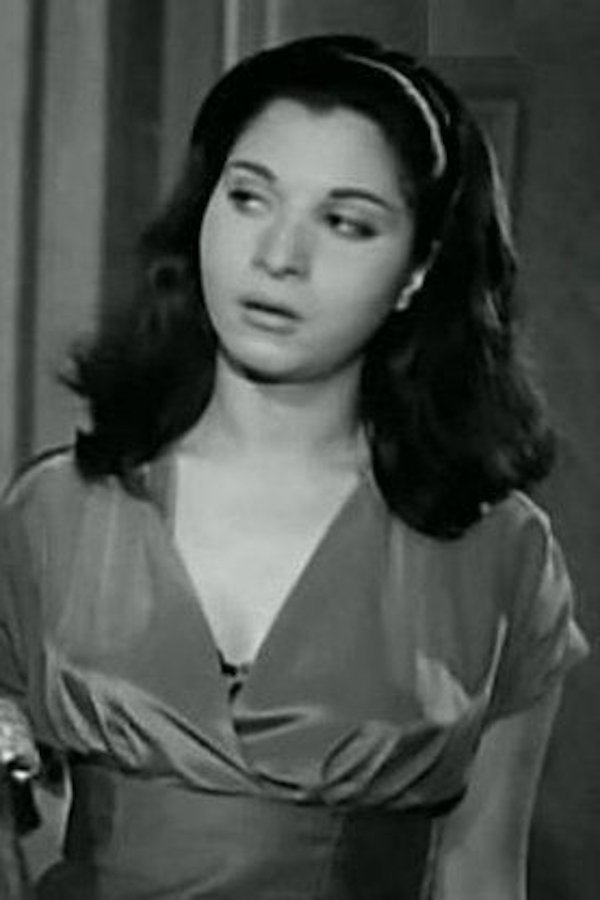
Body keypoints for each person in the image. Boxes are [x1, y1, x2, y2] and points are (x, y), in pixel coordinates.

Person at [0, 34, 589, 899]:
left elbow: (483, 875)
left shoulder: (500, 554)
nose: (278, 256)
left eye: (345, 223)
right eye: (248, 198)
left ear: (417, 271)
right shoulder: (54, 512)